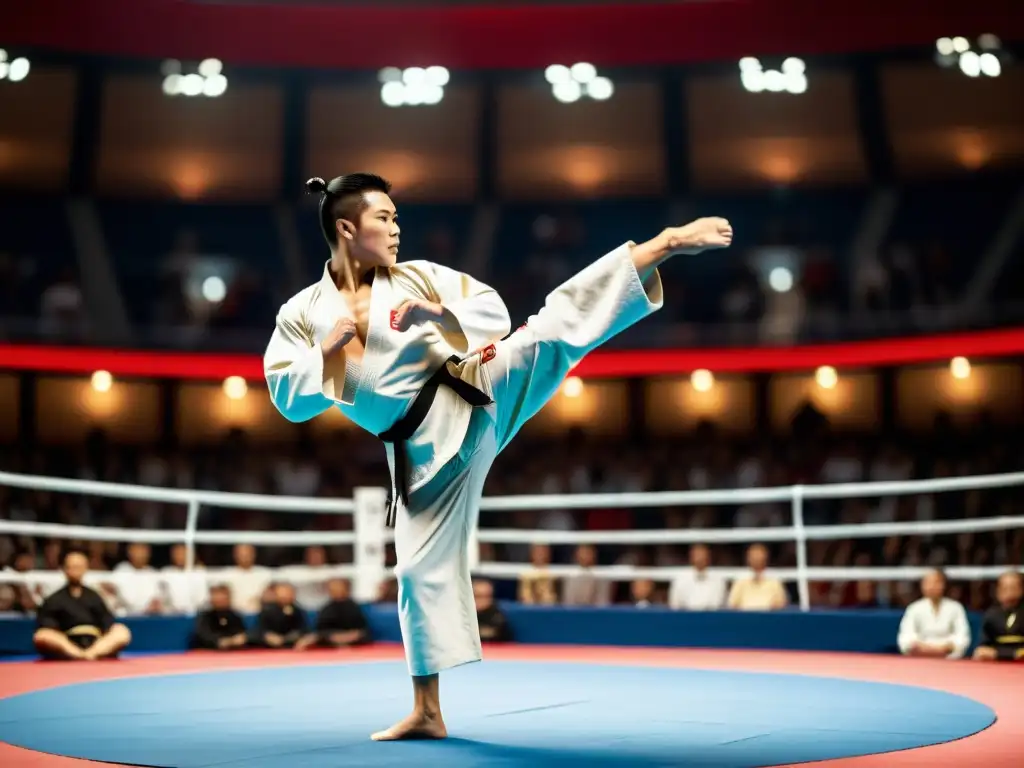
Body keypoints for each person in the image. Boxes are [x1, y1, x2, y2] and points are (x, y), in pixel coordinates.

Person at [264, 172, 732, 740]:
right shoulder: (303, 313)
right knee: (415, 572)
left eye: (394, 217)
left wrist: (436, 316)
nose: (396, 227)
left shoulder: (418, 277)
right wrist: (326, 351)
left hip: (477, 386)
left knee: (550, 333)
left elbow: (494, 313)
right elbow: (288, 399)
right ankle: (428, 710)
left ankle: (661, 244)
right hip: (422, 452)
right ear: (346, 227)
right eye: (383, 218)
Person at [32, 551, 132, 661]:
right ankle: (78, 654)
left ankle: (90, 654)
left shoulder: (94, 596)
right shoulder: (54, 599)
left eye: (79, 567)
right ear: (65, 569)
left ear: (85, 568)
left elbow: (107, 623)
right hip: (67, 643)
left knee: (122, 631)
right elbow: (47, 627)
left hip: (95, 642)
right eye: (72, 567)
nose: (76, 571)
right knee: (42, 635)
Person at [896, 568, 971, 659]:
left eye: (936, 582)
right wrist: (923, 647)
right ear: (922, 585)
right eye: (928, 583)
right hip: (920, 658)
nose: (932, 586)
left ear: (944, 585)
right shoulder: (914, 608)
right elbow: (905, 637)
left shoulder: (956, 608)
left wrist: (946, 647)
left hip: (948, 658)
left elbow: (962, 636)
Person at [972, 570, 1024, 662]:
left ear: (1021, 589)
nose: (1008, 592)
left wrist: (1012, 654)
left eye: (1012, 588)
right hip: (997, 664)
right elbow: (983, 646)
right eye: (1004, 588)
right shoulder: (991, 614)